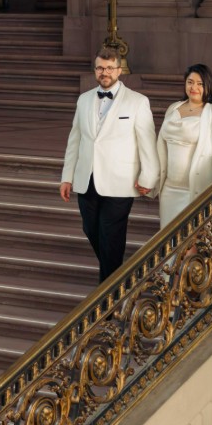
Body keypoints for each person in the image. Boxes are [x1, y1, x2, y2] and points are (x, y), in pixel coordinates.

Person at [59, 47, 159, 282]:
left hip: (120, 182)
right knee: (91, 230)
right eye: (100, 68)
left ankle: (108, 298)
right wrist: (67, 176)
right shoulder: (84, 100)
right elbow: (75, 139)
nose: (105, 72)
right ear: (95, 70)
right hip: (87, 179)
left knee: (110, 234)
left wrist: (148, 178)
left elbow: (147, 143)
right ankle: (118, 279)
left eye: (110, 68)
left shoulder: (138, 102)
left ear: (119, 70)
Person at [156, 63, 212, 230]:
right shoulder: (173, 108)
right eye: (190, 82)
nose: (194, 87)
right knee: (171, 246)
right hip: (169, 190)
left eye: (200, 84)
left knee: (193, 246)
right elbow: (160, 148)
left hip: (197, 189)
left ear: (208, 85)